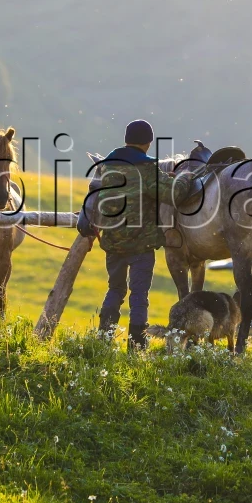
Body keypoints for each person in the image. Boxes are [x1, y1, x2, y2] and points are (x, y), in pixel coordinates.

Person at [81, 119, 198, 352]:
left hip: (113, 243)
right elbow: (172, 194)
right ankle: (137, 345)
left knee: (115, 289)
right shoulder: (146, 168)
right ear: (148, 143)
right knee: (139, 294)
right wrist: (185, 176)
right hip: (141, 245)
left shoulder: (106, 166)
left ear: (126, 140)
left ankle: (104, 339)